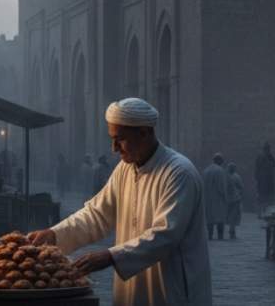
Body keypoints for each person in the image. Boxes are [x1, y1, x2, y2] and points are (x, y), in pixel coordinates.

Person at [26, 97, 211, 306]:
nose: (114, 148)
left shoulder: (179, 172)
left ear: (144, 132)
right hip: (132, 287)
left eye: (120, 139)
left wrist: (111, 256)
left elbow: (166, 234)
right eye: (112, 139)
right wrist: (55, 234)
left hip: (170, 287)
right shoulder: (124, 169)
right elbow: (97, 214)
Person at [202, 153, 228, 240]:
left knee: (210, 218)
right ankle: (220, 236)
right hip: (218, 199)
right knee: (220, 217)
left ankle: (210, 235)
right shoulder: (220, 170)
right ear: (219, 160)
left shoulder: (206, 170)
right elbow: (221, 187)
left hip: (207, 198)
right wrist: (225, 197)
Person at [254, 142, 275, 212]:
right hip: (263, 179)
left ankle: (263, 211)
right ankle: (262, 211)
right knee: (262, 196)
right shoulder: (263, 156)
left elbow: (274, 165)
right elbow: (258, 167)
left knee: (264, 196)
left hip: (266, 179)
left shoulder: (270, 156)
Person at [225, 162, 243, 239]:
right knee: (233, 216)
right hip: (235, 198)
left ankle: (229, 230)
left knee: (228, 215)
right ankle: (232, 230)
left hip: (227, 199)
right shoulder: (237, 176)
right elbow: (241, 187)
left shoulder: (225, 176)